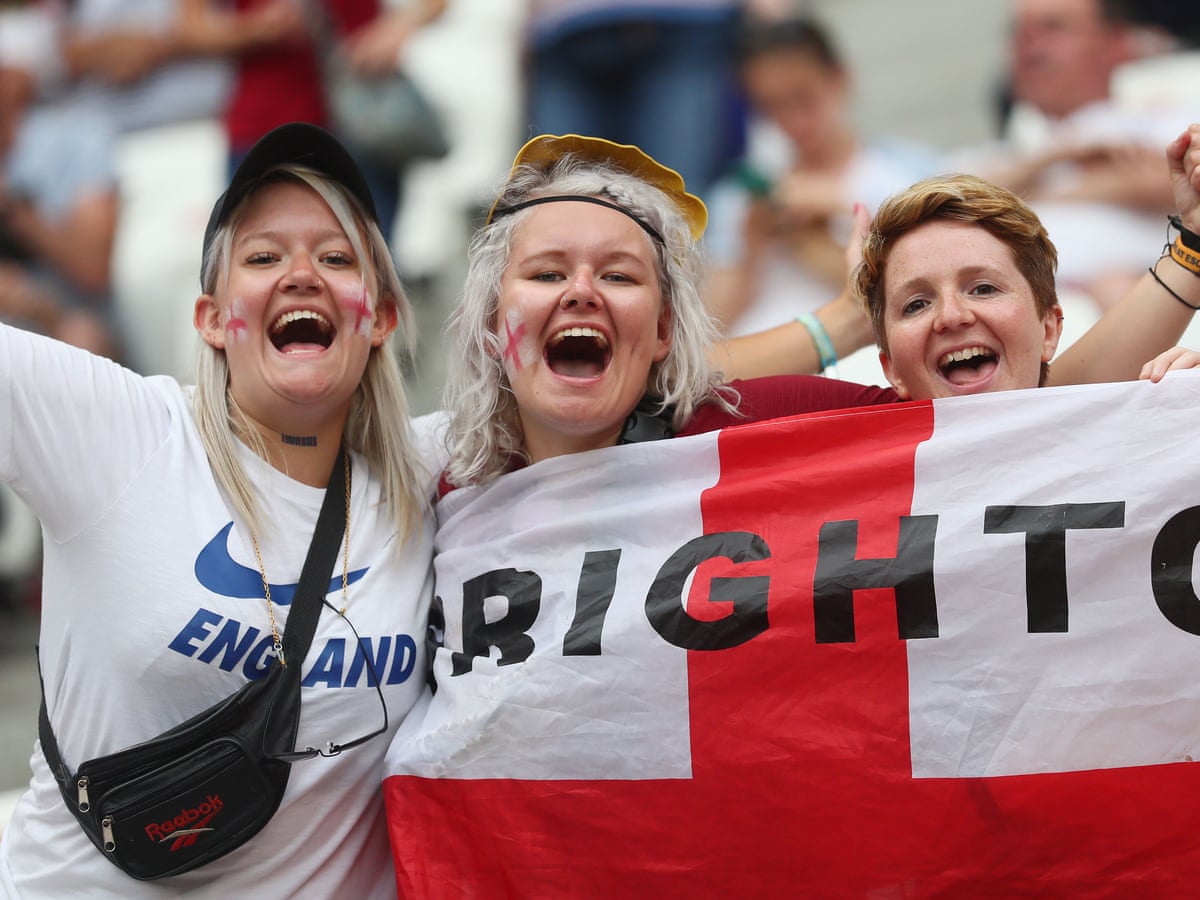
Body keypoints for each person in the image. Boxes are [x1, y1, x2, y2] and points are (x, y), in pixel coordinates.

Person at [0, 122, 443, 897]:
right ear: (209, 318)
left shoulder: (434, 473)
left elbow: (618, 390)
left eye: (336, 258)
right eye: (264, 257)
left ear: (379, 319)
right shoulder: (124, 433)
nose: (301, 274)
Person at [440, 127, 1200, 489]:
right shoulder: (429, 493)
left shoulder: (742, 432)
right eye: (547, 272)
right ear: (487, 320)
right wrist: (844, 321)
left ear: (665, 328)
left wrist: (1192, 253)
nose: (580, 292)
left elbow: (1042, 405)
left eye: (618, 276)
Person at [703, 14, 936, 355]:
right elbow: (709, 326)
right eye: (772, 106)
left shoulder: (908, 172)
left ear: (838, 78)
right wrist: (751, 249)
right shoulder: (741, 196)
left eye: (803, 97)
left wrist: (845, 206)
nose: (793, 120)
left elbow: (931, 285)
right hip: (767, 358)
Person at [947, 0, 1193, 312]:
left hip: (1134, 293)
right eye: (1019, 31)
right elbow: (950, 211)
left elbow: (1172, 185)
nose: (1029, 43)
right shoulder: (986, 160)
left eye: (1053, 27)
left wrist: (1028, 194)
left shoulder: (1164, 121)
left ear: (1116, 41)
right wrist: (1064, 154)